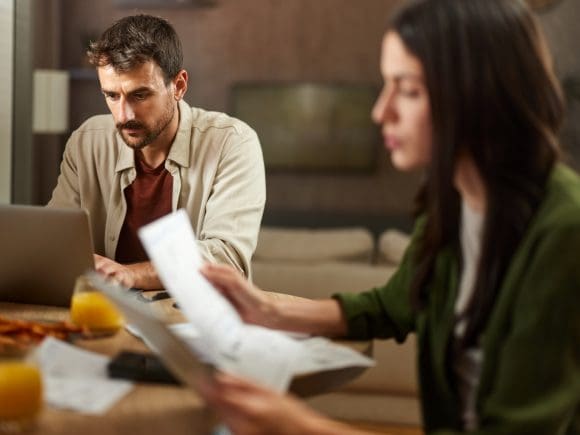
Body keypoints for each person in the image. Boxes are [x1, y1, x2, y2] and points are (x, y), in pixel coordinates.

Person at [198, 0, 580, 433]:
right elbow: (393, 306)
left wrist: (295, 425)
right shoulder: (453, 200)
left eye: (409, 90)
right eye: (386, 85)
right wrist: (268, 308)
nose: (381, 112)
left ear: (479, 94)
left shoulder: (564, 230)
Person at [48, 14, 266, 289]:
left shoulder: (233, 143)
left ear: (179, 86)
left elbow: (226, 258)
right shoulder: (87, 142)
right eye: (112, 96)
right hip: (105, 312)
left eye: (140, 95)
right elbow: (55, 242)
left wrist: (130, 275)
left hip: (199, 320)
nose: (124, 114)